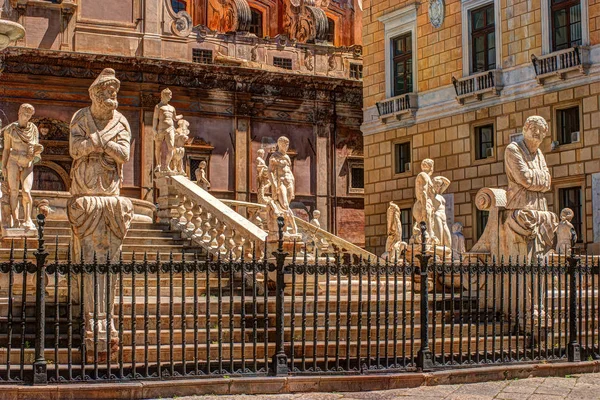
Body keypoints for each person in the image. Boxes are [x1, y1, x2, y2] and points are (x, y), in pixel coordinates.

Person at [67, 68, 134, 344]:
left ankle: (104, 315)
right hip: (85, 191)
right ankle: (91, 313)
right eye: (106, 91)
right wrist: (104, 145)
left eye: (114, 91)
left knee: (108, 254)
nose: (112, 95)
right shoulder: (80, 117)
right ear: (95, 94)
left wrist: (96, 144)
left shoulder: (122, 122)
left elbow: (125, 154)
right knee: (87, 253)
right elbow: (74, 149)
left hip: (110, 192)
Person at [503, 115, 558, 261]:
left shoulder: (539, 153)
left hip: (540, 208)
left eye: (541, 130)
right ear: (524, 130)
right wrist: (539, 179)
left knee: (551, 221)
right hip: (520, 207)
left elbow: (548, 182)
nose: (537, 133)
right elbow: (524, 178)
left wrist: (535, 179)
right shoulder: (513, 149)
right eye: (534, 128)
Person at [1, 103, 43, 231]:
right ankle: (15, 220)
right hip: (13, 159)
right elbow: (7, 150)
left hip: (27, 161)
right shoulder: (10, 129)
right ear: (19, 113)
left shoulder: (33, 129)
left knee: (26, 190)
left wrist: (37, 150)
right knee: (13, 191)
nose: (27, 117)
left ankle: (28, 219)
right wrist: (3, 166)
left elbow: (36, 147)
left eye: (29, 115)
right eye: (25, 114)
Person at [152, 88, 182, 173]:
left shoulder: (172, 108)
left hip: (170, 128)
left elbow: (175, 118)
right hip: (161, 129)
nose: (171, 97)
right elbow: (155, 119)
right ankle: (158, 164)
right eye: (169, 95)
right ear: (164, 95)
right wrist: (154, 129)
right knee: (158, 147)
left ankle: (167, 165)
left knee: (171, 147)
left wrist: (181, 116)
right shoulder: (158, 107)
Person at [412, 159, 436, 243]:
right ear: (430, 167)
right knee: (427, 234)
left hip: (422, 203)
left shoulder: (424, 176)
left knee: (425, 232)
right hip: (423, 204)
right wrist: (424, 208)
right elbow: (423, 192)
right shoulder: (424, 175)